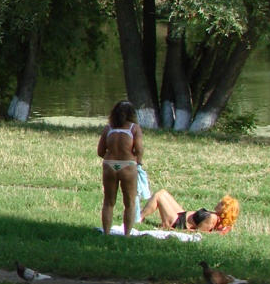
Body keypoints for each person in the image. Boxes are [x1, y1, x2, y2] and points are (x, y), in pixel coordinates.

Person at [96, 100, 144, 235]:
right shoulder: (134, 128)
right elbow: (139, 150)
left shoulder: (108, 129)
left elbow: (100, 152)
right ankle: (127, 235)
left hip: (109, 165)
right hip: (127, 165)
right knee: (130, 203)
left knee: (108, 202)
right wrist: (139, 161)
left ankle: (106, 233)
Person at [139, 191, 240, 233]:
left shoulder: (213, 218)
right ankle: (139, 216)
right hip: (182, 215)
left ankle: (138, 218)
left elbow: (197, 232)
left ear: (225, 210)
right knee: (163, 192)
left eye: (221, 204)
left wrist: (173, 231)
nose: (218, 203)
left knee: (159, 196)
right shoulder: (215, 216)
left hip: (178, 222)